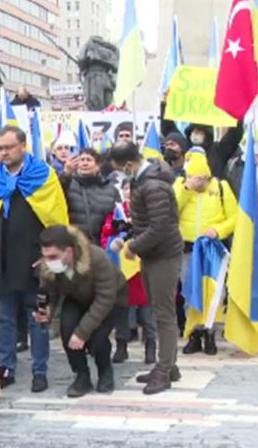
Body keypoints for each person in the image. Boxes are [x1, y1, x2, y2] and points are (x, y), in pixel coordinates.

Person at [0, 125, 69, 393]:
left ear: (22, 147)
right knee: (4, 319)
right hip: (2, 257)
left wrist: (49, 256)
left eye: (7, 148)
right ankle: (6, 368)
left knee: (37, 317)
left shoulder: (44, 176)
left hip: (33, 260)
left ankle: (40, 370)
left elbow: (57, 219)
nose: (2, 153)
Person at [109, 141, 183, 395]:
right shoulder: (145, 181)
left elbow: (160, 226)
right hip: (153, 254)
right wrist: (128, 235)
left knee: (164, 314)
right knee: (160, 310)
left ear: (129, 164)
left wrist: (133, 247)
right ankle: (168, 364)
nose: (120, 175)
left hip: (164, 255)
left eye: (120, 169)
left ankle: (164, 370)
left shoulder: (152, 185)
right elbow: (144, 220)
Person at [35, 225, 127, 397]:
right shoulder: (49, 267)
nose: (49, 261)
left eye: (53, 256)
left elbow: (105, 299)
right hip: (76, 297)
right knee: (67, 329)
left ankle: (105, 371)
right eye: (45, 257)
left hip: (112, 298)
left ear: (69, 252)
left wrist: (83, 332)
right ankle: (81, 375)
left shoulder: (97, 258)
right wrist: (47, 311)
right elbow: (50, 293)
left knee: (97, 337)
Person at [174, 151, 238, 355]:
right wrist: (186, 189)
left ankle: (210, 332)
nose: (200, 183)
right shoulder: (179, 186)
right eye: (196, 178)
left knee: (214, 292)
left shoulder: (221, 187)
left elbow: (235, 217)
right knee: (190, 291)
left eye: (203, 178)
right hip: (188, 249)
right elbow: (170, 211)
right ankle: (194, 333)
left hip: (212, 249)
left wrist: (218, 231)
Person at [100, 179, 155, 364]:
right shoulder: (116, 212)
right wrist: (114, 241)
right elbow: (105, 235)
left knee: (147, 311)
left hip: (144, 266)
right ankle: (122, 346)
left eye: (133, 189)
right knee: (121, 309)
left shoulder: (150, 212)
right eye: (126, 189)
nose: (130, 192)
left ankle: (150, 346)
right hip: (121, 267)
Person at [62, 148, 119, 245]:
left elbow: (118, 216)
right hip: (74, 245)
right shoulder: (68, 184)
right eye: (82, 160)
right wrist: (66, 174)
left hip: (102, 246)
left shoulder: (110, 188)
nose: (85, 163)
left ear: (98, 165)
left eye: (88, 160)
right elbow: (57, 196)